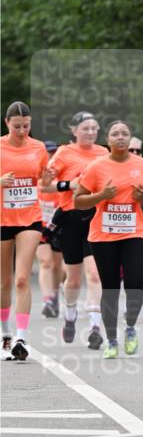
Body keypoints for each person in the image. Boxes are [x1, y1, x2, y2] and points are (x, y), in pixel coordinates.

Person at [74, 120, 143, 358]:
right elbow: (78, 201)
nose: (120, 137)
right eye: (115, 134)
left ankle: (130, 327)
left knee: (135, 284)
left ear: (130, 139)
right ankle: (111, 339)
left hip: (134, 232)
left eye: (125, 133)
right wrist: (101, 195)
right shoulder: (96, 167)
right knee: (110, 289)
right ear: (107, 140)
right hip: (103, 235)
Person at [48, 111, 107, 349]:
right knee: (72, 279)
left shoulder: (104, 153)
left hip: (95, 218)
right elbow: (45, 185)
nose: (91, 133)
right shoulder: (64, 153)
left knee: (94, 274)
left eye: (94, 128)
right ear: (74, 131)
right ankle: (70, 316)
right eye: (85, 128)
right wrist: (68, 184)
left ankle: (95, 327)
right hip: (71, 219)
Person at [1, 102, 53, 360]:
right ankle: (5, 336)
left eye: (26, 126)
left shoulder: (38, 147)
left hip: (30, 218)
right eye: (17, 126)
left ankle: (21, 337)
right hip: (2, 218)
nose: (22, 131)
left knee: (22, 278)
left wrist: (47, 179)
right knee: (4, 282)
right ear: (7, 124)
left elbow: (43, 181)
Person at [37, 139, 65, 318]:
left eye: (54, 152)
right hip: (39, 224)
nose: (51, 156)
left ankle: (54, 295)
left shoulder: (62, 177)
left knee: (59, 267)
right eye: (48, 153)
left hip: (59, 224)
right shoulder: (35, 174)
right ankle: (48, 299)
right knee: (45, 262)